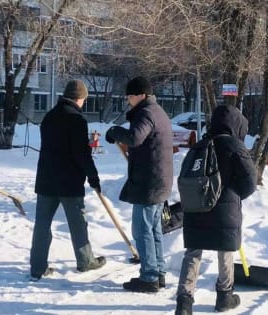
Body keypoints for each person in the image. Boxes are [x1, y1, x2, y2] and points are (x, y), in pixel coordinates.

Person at [174, 105, 257, 315]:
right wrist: (234, 196)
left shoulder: (200, 146)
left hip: (196, 208)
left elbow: (185, 178)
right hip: (225, 210)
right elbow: (250, 182)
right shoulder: (235, 147)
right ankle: (224, 296)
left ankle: (184, 302)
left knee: (193, 252)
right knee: (225, 251)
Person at [30, 79, 106, 281]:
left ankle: (37, 267)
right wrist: (93, 176)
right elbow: (82, 153)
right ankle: (85, 261)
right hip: (69, 181)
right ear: (80, 98)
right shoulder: (77, 120)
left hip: (46, 179)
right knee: (78, 223)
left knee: (42, 225)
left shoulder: (49, 117)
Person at [105, 76, 174, 293]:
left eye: (130, 96)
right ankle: (158, 272)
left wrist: (115, 131)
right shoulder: (158, 111)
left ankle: (149, 277)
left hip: (149, 182)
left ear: (141, 95)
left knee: (142, 230)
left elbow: (135, 138)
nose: (128, 100)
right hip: (159, 179)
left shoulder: (146, 113)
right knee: (153, 230)